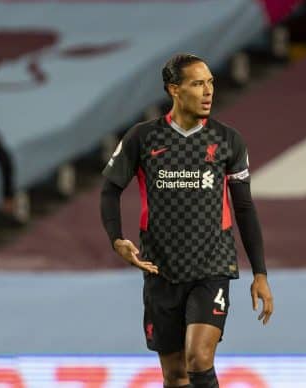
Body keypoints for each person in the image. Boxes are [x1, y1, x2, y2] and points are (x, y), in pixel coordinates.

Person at [100, 53, 273, 388]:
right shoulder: (143, 138)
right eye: (197, 83)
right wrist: (116, 239)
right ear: (174, 90)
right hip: (160, 269)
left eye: (210, 82)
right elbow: (109, 191)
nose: (208, 91)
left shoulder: (227, 141)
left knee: (198, 359)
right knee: (175, 375)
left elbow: (245, 208)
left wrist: (260, 272)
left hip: (211, 267)